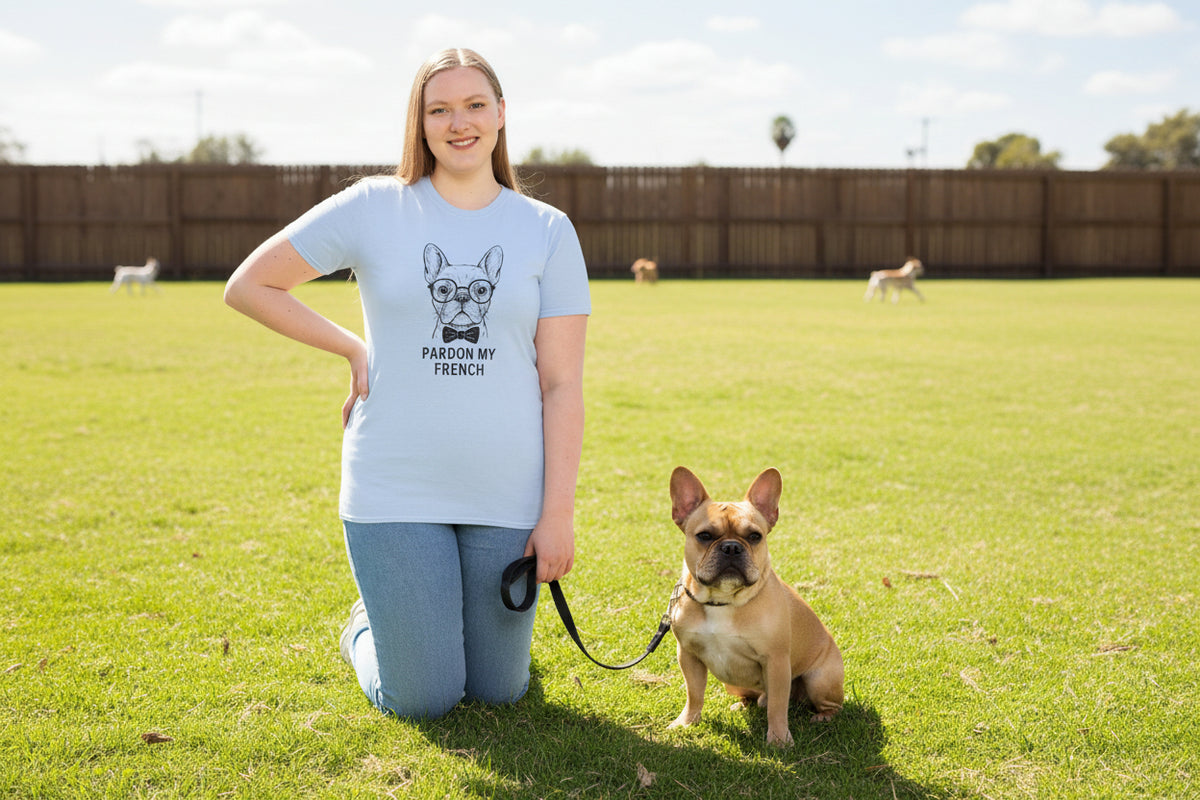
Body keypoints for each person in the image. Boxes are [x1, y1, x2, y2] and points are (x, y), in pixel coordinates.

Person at [224, 47, 590, 719]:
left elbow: (562, 384)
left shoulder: (547, 230)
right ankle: (368, 624)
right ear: (419, 124)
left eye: (476, 105)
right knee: (423, 700)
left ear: (502, 114)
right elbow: (249, 285)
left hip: (505, 491)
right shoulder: (373, 207)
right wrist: (352, 346)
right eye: (439, 109)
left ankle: (441, 629)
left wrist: (557, 513)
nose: (460, 123)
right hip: (394, 487)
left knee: (499, 692)